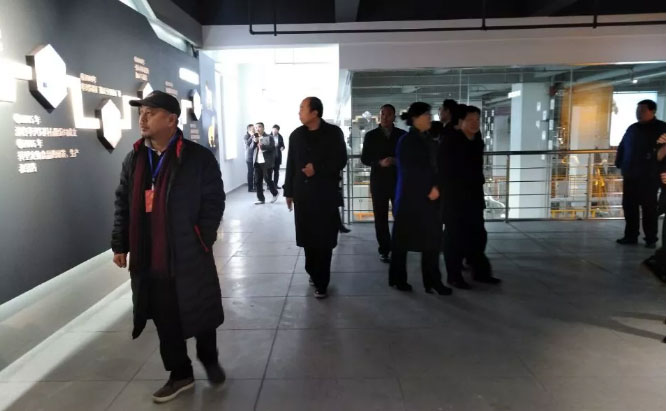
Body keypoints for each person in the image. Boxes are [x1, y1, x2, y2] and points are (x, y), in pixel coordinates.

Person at [111, 91, 226, 403]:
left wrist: (202, 236)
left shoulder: (197, 158)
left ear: (172, 119)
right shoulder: (135, 159)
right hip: (151, 254)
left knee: (200, 308)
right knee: (164, 315)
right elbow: (123, 203)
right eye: (141, 113)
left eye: (150, 113)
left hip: (189, 250)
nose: (142, 119)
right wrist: (120, 244)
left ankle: (209, 358)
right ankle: (180, 373)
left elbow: (214, 199)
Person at [284, 97, 347, 299]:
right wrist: (288, 192)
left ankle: (322, 282)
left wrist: (317, 169)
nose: (299, 112)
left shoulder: (333, 133)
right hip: (303, 196)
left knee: (324, 240)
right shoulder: (296, 135)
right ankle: (312, 270)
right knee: (308, 239)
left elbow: (341, 160)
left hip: (325, 196)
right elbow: (291, 165)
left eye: (302, 108)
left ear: (315, 113)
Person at [388, 102, 451, 295]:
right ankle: (400, 279)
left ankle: (431, 280)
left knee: (431, 242)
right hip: (412, 200)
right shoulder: (408, 141)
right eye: (426, 115)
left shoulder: (426, 138)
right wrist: (430, 189)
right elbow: (412, 171)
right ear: (415, 118)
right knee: (403, 243)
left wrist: (436, 186)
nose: (430, 118)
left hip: (424, 199)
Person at [439, 105, 500, 289]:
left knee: (478, 235)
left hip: (474, 196)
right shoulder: (451, 141)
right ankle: (454, 275)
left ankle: (480, 272)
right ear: (460, 122)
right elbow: (443, 171)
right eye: (470, 120)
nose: (475, 123)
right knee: (454, 237)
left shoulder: (477, 140)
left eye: (477, 120)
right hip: (454, 198)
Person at [615, 100, 666, 248]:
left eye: (642, 110)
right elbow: (622, 146)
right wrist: (620, 163)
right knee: (629, 206)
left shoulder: (662, 129)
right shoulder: (633, 128)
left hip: (650, 176)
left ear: (652, 111)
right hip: (631, 174)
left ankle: (651, 238)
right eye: (638, 110)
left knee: (649, 208)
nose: (639, 113)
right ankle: (630, 235)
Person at [361, 104, 404, 263]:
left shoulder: (401, 135)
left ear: (394, 117)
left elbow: (408, 158)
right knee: (380, 217)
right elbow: (365, 158)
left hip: (397, 182)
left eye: (388, 114)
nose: (385, 117)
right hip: (379, 182)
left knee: (400, 216)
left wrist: (396, 161)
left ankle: (399, 247)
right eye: (382, 114)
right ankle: (384, 249)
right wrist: (379, 162)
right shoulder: (371, 135)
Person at [252, 122, 279, 205]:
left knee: (267, 180)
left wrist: (262, 145)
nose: (257, 129)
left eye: (259, 127)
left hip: (266, 162)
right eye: (256, 127)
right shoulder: (254, 137)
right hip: (257, 162)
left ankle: (275, 193)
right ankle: (261, 199)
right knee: (257, 181)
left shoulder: (269, 137)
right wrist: (254, 142)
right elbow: (251, 148)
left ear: (263, 128)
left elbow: (272, 147)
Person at [244, 124, 256, 192]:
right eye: (252, 129)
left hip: (255, 156)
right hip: (249, 157)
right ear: (248, 130)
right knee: (250, 172)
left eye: (254, 129)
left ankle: (256, 186)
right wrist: (251, 136)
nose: (254, 130)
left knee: (256, 172)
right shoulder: (246, 136)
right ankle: (250, 188)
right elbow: (247, 143)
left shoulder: (255, 135)